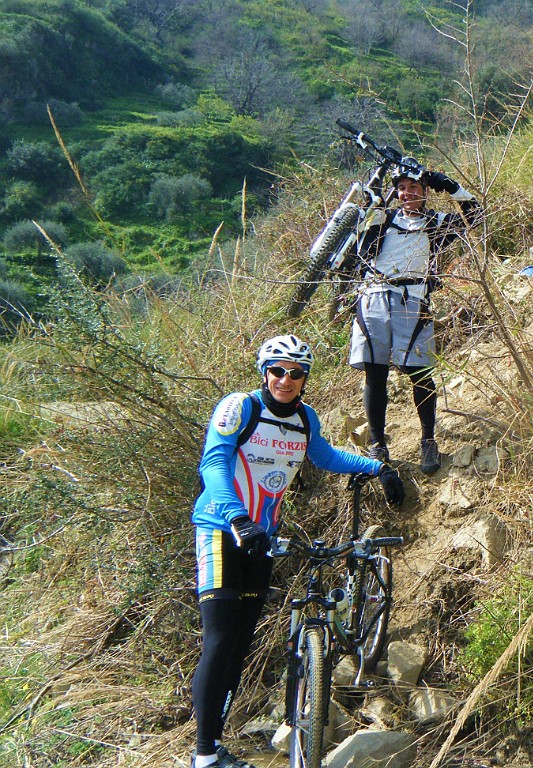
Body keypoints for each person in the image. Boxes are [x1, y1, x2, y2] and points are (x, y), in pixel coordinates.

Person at [190, 334, 404, 768]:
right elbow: (213, 464)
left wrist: (377, 467)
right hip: (221, 529)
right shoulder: (240, 408)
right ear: (263, 372)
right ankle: (204, 754)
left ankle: (214, 751)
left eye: (296, 373)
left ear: (306, 377)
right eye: (277, 370)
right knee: (219, 640)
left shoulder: (305, 418)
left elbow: (323, 456)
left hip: (263, 536)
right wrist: (236, 518)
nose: (286, 380)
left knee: (239, 642)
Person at [347, 157, 481, 474]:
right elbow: (362, 249)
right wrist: (373, 211)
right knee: (375, 371)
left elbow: (475, 218)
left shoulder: (435, 223)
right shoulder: (384, 218)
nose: (407, 193)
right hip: (375, 293)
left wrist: (451, 187)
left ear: (425, 191)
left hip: (414, 298)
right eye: (402, 188)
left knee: (419, 372)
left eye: (414, 188)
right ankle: (378, 444)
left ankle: (428, 440)